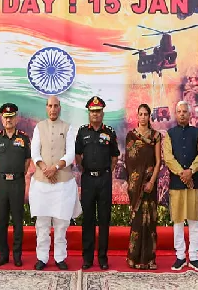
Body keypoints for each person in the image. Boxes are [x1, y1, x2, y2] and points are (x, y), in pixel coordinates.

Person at [29, 96, 82, 271]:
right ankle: (42, 257)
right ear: (46, 108)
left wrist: (55, 168)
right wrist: (45, 168)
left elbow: (70, 154)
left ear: (60, 108)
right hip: (42, 182)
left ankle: (60, 257)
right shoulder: (39, 127)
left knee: (61, 224)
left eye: (56, 106)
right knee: (42, 224)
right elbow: (35, 152)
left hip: (62, 184)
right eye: (50, 106)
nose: (53, 109)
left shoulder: (68, 127)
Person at [75, 96, 120, 270]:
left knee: (103, 219)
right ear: (89, 113)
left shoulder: (109, 132)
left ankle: (102, 258)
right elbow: (78, 154)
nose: (95, 114)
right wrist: (82, 168)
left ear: (103, 113)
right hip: (88, 179)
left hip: (104, 180)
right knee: (87, 219)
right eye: (92, 112)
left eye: (98, 111)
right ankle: (87, 258)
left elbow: (115, 155)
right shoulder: (82, 132)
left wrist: (108, 170)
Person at [163, 101, 198, 272]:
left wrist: (191, 171)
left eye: (184, 112)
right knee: (178, 222)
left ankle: (194, 257)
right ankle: (180, 256)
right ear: (175, 114)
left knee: (195, 222)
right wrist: (183, 173)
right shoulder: (170, 134)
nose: (182, 114)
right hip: (177, 185)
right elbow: (168, 157)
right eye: (179, 111)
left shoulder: (197, 133)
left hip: (194, 184)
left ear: (190, 115)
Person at [0, 103, 31, 267]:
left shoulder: (23, 138)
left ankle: (17, 255)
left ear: (16, 119)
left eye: (11, 117)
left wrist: (17, 174)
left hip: (17, 182)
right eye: (6, 117)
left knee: (17, 220)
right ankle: (3, 255)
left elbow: (27, 161)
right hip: (2, 183)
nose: (8, 120)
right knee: (1, 221)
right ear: (2, 119)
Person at [125, 104, 161, 270]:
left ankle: (149, 259)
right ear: (137, 116)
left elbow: (158, 161)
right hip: (136, 186)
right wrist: (137, 182)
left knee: (150, 222)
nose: (143, 117)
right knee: (138, 222)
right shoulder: (131, 136)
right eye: (141, 114)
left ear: (149, 116)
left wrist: (151, 181)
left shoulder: (156, 136)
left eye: (146, 114)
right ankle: (133, 257)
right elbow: (129, 162)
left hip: (150, 185)